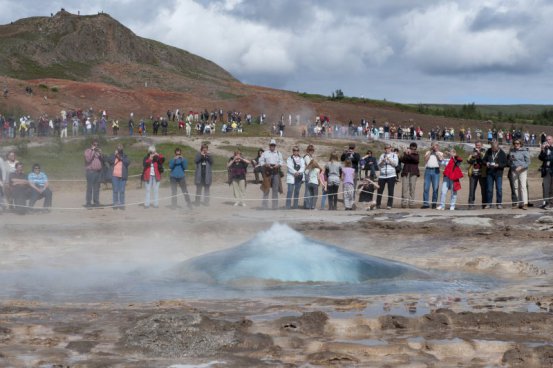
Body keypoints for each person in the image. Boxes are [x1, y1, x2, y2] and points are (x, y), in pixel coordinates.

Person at [259, 139, 284, 209]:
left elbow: (281, 162)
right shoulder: (265, 153)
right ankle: (264, 206)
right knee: (266, 189)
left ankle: (275, 206)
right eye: (271, 145)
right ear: (269, 145)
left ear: (275, 146)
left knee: (275, 190)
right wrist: (265, 164)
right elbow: (260, 161)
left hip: (276, 172)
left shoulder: (279, 153)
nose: (272, 146)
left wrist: (278, 165)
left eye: (273, 145)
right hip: (267, 172)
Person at [483, 141, 508, 209]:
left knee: (499, 189)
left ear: (498, 147)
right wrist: (486, 163)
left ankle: (499, 204)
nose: (493, 150)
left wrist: (499, 165)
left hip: (498, 173)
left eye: (494, 148)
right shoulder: (488, 151)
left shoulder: (502, 153)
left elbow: (506, 164)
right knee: (489, 189)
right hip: (489, 173)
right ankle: (489, 204)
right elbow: (484, 160)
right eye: (492, 148)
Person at [107, 144, 130, 210]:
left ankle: (122, 204)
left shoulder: (125, 156)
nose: (119, 150)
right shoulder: (113, 155)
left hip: (123, 176)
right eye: (118, 148)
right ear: (116, 149)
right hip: (114, 176)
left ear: (122, 149)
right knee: (115, 190)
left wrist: (121, 158)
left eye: (121, 148)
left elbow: (128, 162)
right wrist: (115, 155)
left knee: (122, 191)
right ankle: (115, 204)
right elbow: (109, 160)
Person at [375, 144, 399, 209]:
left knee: (390, 191)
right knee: (380, 191)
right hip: (382, 176)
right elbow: (379, 165)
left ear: (391, 148)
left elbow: (395, 164)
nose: (387, 149)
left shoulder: (394, 155)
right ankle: (378, 204)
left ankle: (389, 205)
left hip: (391, 175)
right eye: (386, 148)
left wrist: (389, 160)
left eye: (388, 148)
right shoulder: (382, 155)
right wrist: (383, 161)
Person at [421, 142, 443, 209]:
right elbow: (425, 159)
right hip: (428, 170)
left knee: (435, 188)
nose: (434, 147)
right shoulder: (428, 152)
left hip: (436, 171)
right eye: (433, 145)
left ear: (438, 146)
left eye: (436, 145)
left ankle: (434, 203)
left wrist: (436, 152)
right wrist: (430, 151)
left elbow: (441, 159)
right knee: (426, 188)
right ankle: (425, 204)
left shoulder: (440, 153)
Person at [509, 139, 530, 210]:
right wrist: (513, 166)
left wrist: (521, 167)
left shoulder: (525, 151)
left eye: (518, 143)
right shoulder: (511, 151)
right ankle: (518, 203)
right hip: (514, 170)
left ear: (520, 144)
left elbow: (528, 162)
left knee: (523, 186)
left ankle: (525, 203)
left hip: (523, 171)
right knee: (515, 187)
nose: (516, 145)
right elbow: (510, 161)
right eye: (515, 143)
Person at [467, 141, 487, 209]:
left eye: (479, 145)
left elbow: (484, 160)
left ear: (482, 145)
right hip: (473, 173)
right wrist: (474, 156)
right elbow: (468, 161)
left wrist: (480, 154)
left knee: (483, 190)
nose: (477, 147)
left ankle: (484, 204)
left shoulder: (485, 152)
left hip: (482, 173)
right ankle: (471, 204)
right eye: (476, 145)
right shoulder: (472, 152)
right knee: (472, 189)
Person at [84, 139, 103, 208]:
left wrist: (101, 154)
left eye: (97, 145)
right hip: (90, 172)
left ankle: (96, 202)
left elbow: (102, 160)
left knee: (97, 188)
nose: (96, 146)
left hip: (98, 172)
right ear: (91, 145)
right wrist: (92, 150)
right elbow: (88, 159)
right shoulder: (87, 151)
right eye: (95, 145)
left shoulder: (98, 152)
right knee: (90, 188)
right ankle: (88, 203)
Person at [400, 142, 420, 208]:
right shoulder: (406, 153)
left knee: (412, 188)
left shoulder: (416, 154)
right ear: (410, 148)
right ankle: (404, 203)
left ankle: (411, 203)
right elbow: (402, 160)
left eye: (414, 149)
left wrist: (410, 154)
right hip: (405, 172)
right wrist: (405, 153)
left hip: (414, 173)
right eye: (411, 148)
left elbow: (416, 160)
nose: (413, 149)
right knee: (404, 188)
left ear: (416, 149)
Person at [538, 135, 553, 209]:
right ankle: (545, 202)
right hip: (546, 170)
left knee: (552, 188)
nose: (548, 141)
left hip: (552, 170)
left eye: (549, 139)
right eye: (547, 140)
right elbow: (540, 158)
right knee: (545, 187)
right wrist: (542, 150)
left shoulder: (551, 148)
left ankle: (551, 203)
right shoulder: (545, 148)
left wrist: (549, 147)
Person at [302, 144, 315, 208]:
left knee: (309, 190)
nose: (311, 151)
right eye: (310, 150)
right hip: (307, 174)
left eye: (312, 150)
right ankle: (306, 205)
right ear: (307, 150)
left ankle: (307, 204)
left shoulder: (310, 157)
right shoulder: (307, 157)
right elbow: (310, 165)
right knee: (308, 190)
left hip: (311, 174)